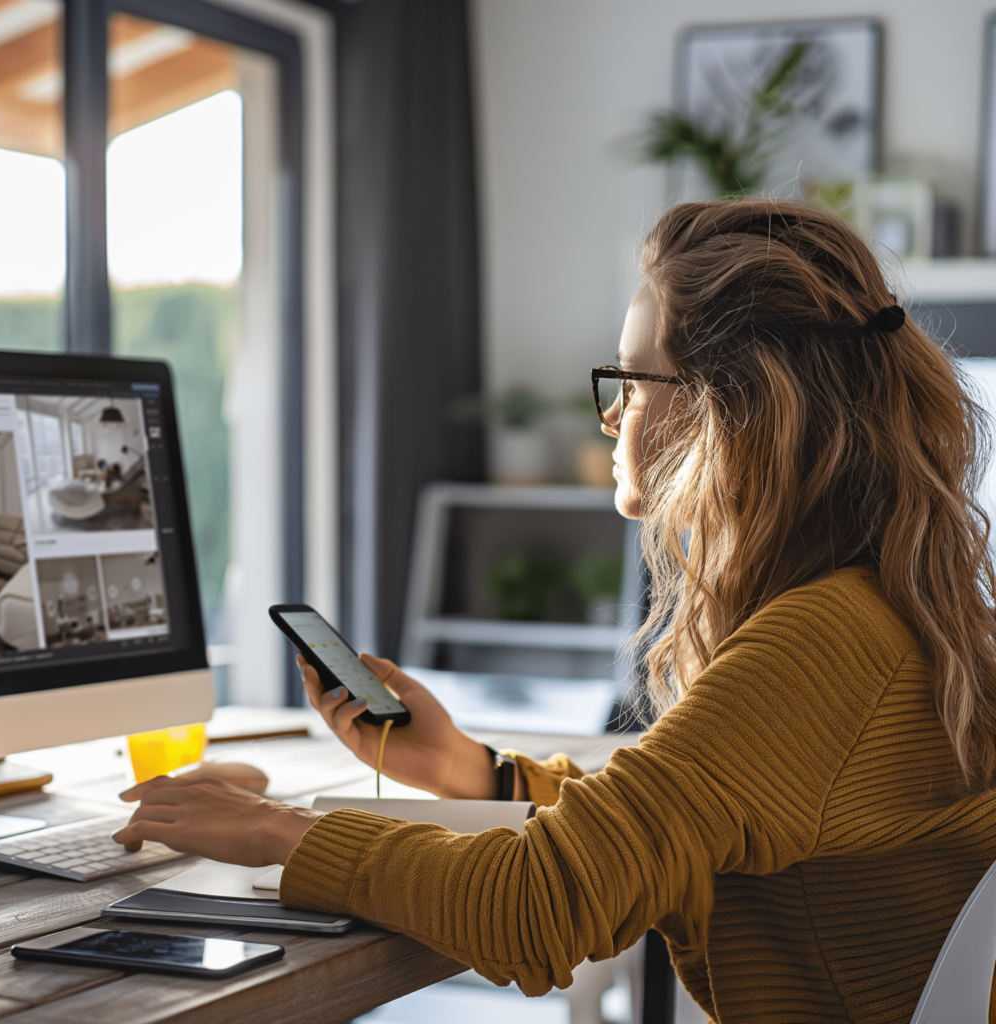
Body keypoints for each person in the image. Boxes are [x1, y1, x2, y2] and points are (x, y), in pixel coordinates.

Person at [114, 198, 996, 1023]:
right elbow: (663, 821)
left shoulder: (824, 642)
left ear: (735, 414)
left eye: (633, 381)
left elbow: (538, 908)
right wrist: (471, 770)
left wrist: (280, 832)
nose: (613, 419)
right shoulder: (872, 609)